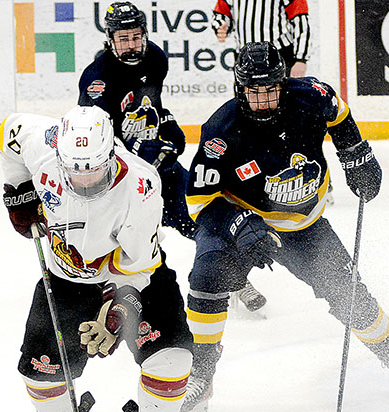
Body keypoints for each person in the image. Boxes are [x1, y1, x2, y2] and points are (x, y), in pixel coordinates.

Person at [180, 42, 389, 412]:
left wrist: (355, 152)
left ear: (284, 85)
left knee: (350, 294)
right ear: (239, 89)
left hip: (304, 226)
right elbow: (199, 203)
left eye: (271, 90)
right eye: (254, 92)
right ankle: (200, 377)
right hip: (243, 222)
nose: (263, 101)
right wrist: (241, 224)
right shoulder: (221, 132)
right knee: (208, 277)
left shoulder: (312, 96)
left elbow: (340, 114)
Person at [0, 105, 206, 412]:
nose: (85, 180)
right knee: (41, 369)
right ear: (60, 155)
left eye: (93, 169)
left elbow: (137, 267)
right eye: (75, 171)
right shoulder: (43, 143)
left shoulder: (140, 187)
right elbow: (5, 132)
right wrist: (18, 188)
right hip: (66, 278)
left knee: (171, 356)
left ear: (110, 153)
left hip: (136, 275)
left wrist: (117, 314)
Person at [80, 1, 268, 311]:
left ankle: (232, 279)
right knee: (129, 243)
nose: (131, 45)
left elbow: (151, 107)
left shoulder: (155, 58)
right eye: (123, 39)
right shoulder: (97, 80)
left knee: (203, 218)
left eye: (136, 37)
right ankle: (107, 295)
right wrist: (135, 154)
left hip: (160, 169)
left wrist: (166, 127)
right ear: (110, 39)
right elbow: (93, 141)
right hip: (120, 181)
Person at [211, 0, 312, 77]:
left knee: (281, 96)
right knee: (245, 97)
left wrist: (301, 59)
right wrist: (221, 26)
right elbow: (221, 13)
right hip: (245, 55)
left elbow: (301, 20)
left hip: (278, 53)